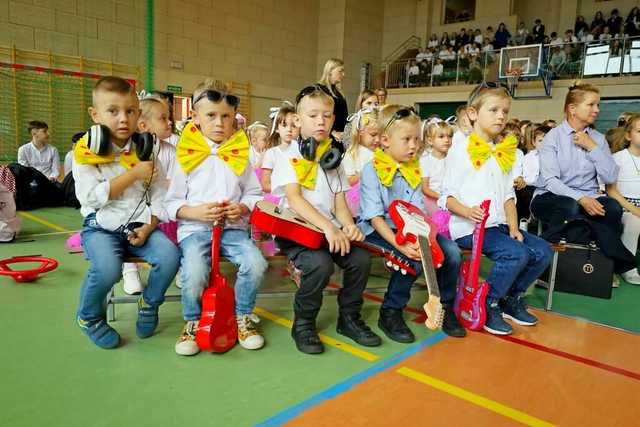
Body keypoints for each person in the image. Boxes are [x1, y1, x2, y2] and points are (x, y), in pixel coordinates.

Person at [272, 84, 380, 354]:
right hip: (298, 232)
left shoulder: (334, 159)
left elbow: (340, 202)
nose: (321, 120)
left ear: (334, 119)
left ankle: (349, 318)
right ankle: (304, 323)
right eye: (313, 115)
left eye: (327, 115)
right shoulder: (289, 157)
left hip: (329, 231)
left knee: (360, 260)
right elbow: (295, 200)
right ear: (298, 120)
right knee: (319, 265)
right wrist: (331, 227)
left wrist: (349, 225)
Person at [73, 76, 180, 349]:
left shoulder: (145, 148)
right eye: (113, 111)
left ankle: (149, 303)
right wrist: (133, 174)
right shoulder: (85, 151)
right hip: (101, 227)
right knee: (107, 268)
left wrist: (149, 226)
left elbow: (159, 193)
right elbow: (89, 198)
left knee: (170, 256)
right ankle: (89, 317)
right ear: (95, 114)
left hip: (139, 225)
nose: (123, 119)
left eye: (130, 111)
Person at [165, 80, 267, 356]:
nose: (219, 122)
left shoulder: (240, 155)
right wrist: (194, 212)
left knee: (255, 263)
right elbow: (170, 203)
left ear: (234, 119)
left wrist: (242, 208)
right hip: (195, 230)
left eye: (226, 116)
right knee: (194, 271)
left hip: (233, 229)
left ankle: (243, 315)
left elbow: (255, 194)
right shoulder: (184, 156)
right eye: (211, 115)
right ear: (195, 118)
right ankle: (192, 320)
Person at [441, 83, 552, 335]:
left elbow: (507, 196)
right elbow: (446, 197)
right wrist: (467, 211)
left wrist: (514, 227)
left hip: (500, 226)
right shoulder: (459, 150)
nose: (501, 116)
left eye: (505, 111)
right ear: (472, 113)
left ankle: (509, 299)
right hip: (470, 226)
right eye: (493, 110)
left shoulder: (504, 152)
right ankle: (488, 302)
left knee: (542, 250)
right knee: (516, 254)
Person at [359, 106, 465, 339]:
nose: (414, 145)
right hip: (379, 229)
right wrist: (400, 245)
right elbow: (374, 217)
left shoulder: (414, 168)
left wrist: (423, 237)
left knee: (453, 253)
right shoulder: (371, 170)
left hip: (411, 225)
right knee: (411, 258)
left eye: (417, 139)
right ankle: (391, 311)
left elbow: (416, 210)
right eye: (407, 139)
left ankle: (444, 307)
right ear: (385, 141)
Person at [531, 82, 636, 277]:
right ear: (572, 109)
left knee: (611, 208)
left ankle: (599, 269)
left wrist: (593, 147)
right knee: (570, 207)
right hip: (550, 196)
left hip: (588, 197)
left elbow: (610, 177)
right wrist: (581, 199)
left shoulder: (598, 138)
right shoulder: (552, 138)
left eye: (598, 105)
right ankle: (551, 268)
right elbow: (551, 181)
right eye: (591, 104)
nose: (597, 110)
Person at [606, 113, 640, 284]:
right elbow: (611, 191)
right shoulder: (618, 159)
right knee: (634, 221)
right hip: (624, 206)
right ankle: (628, 267)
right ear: (628, 135)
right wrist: (635, 210)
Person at [319, 58, 348, 141]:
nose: (344, 74)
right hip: (326, 136)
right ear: (330, 71)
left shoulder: (340, 93)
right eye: (340, 71)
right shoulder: (319, 90)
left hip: (340, 137)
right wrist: (332, 132)